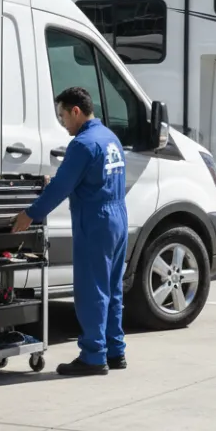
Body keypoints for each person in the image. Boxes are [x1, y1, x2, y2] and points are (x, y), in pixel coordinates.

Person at [12, 87, 128, 377]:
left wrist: (31, 214)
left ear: (76, 111)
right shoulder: (109, 138)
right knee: (112, 288)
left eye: (63, 115)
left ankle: (93, 356)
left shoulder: (83, 144)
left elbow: (61, 188)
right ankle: (115, 350)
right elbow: (88, 176)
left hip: (96, 220)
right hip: (118, 217)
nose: (62, 122)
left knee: (91, 289)